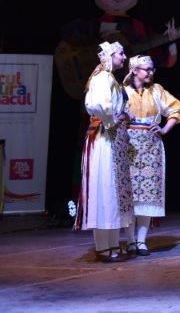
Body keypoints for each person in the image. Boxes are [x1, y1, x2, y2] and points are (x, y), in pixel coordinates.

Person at [75, 41, 134, 262]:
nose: (124, 57)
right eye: (121, 53)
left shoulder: (109, 78)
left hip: (111, 136)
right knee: (106, 187)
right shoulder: (103, 78)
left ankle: (111, 244)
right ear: (110, 56)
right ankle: (104, 246)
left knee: (112, 189)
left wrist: (121, 116)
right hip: (103, 137)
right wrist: (112, 120)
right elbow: (98, 106)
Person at [123, 55, 180, 256]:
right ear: (134, 70)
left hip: (151, 147)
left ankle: (141, 241)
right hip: (128, 146)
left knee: (148, 195)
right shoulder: (122, 91)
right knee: (129, 195)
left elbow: (177, 109)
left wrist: (165, 129)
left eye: (152, 69)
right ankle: (130, 240)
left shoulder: (157, 90)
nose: (150, 72)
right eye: (146, 69)